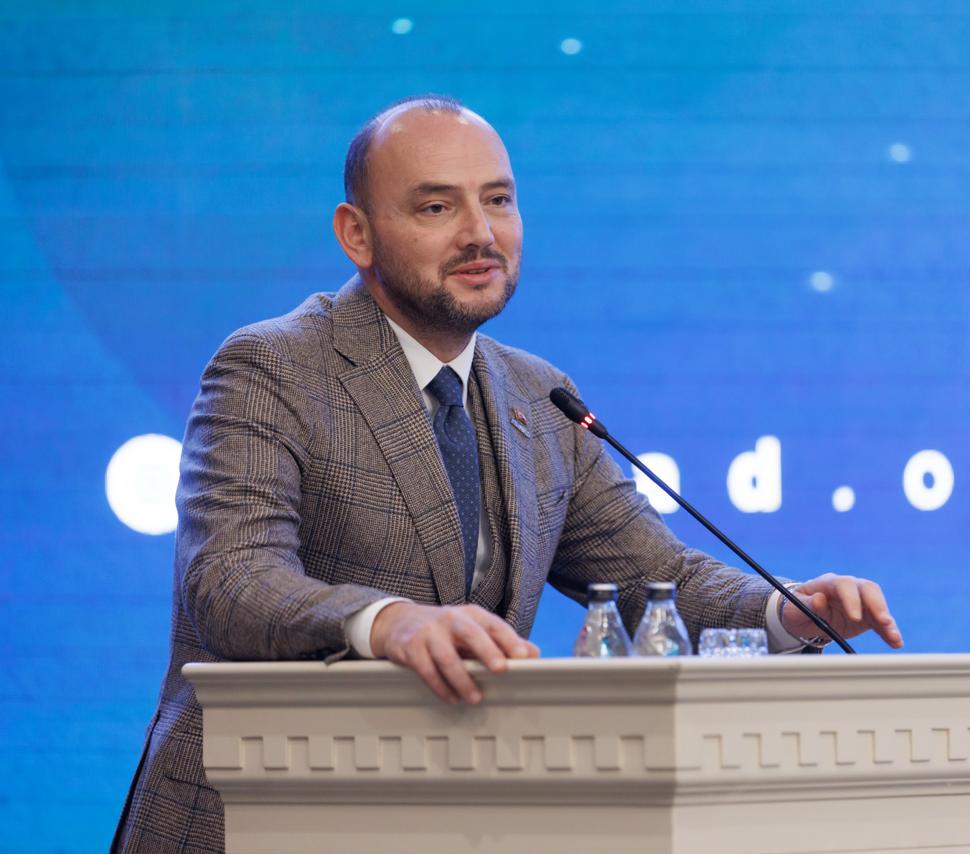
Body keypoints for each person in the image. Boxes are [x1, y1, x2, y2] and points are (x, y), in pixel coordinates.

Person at [111, 94, 903, 852]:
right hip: (262, 815)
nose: (480, 233)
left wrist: (784, 611)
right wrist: (390, 623)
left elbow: (656, 580)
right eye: (437, 207)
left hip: (458, 816)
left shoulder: (540, 395)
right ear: (357, 233)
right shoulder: (273, 366)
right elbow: (232, 581)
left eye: (498, 200)